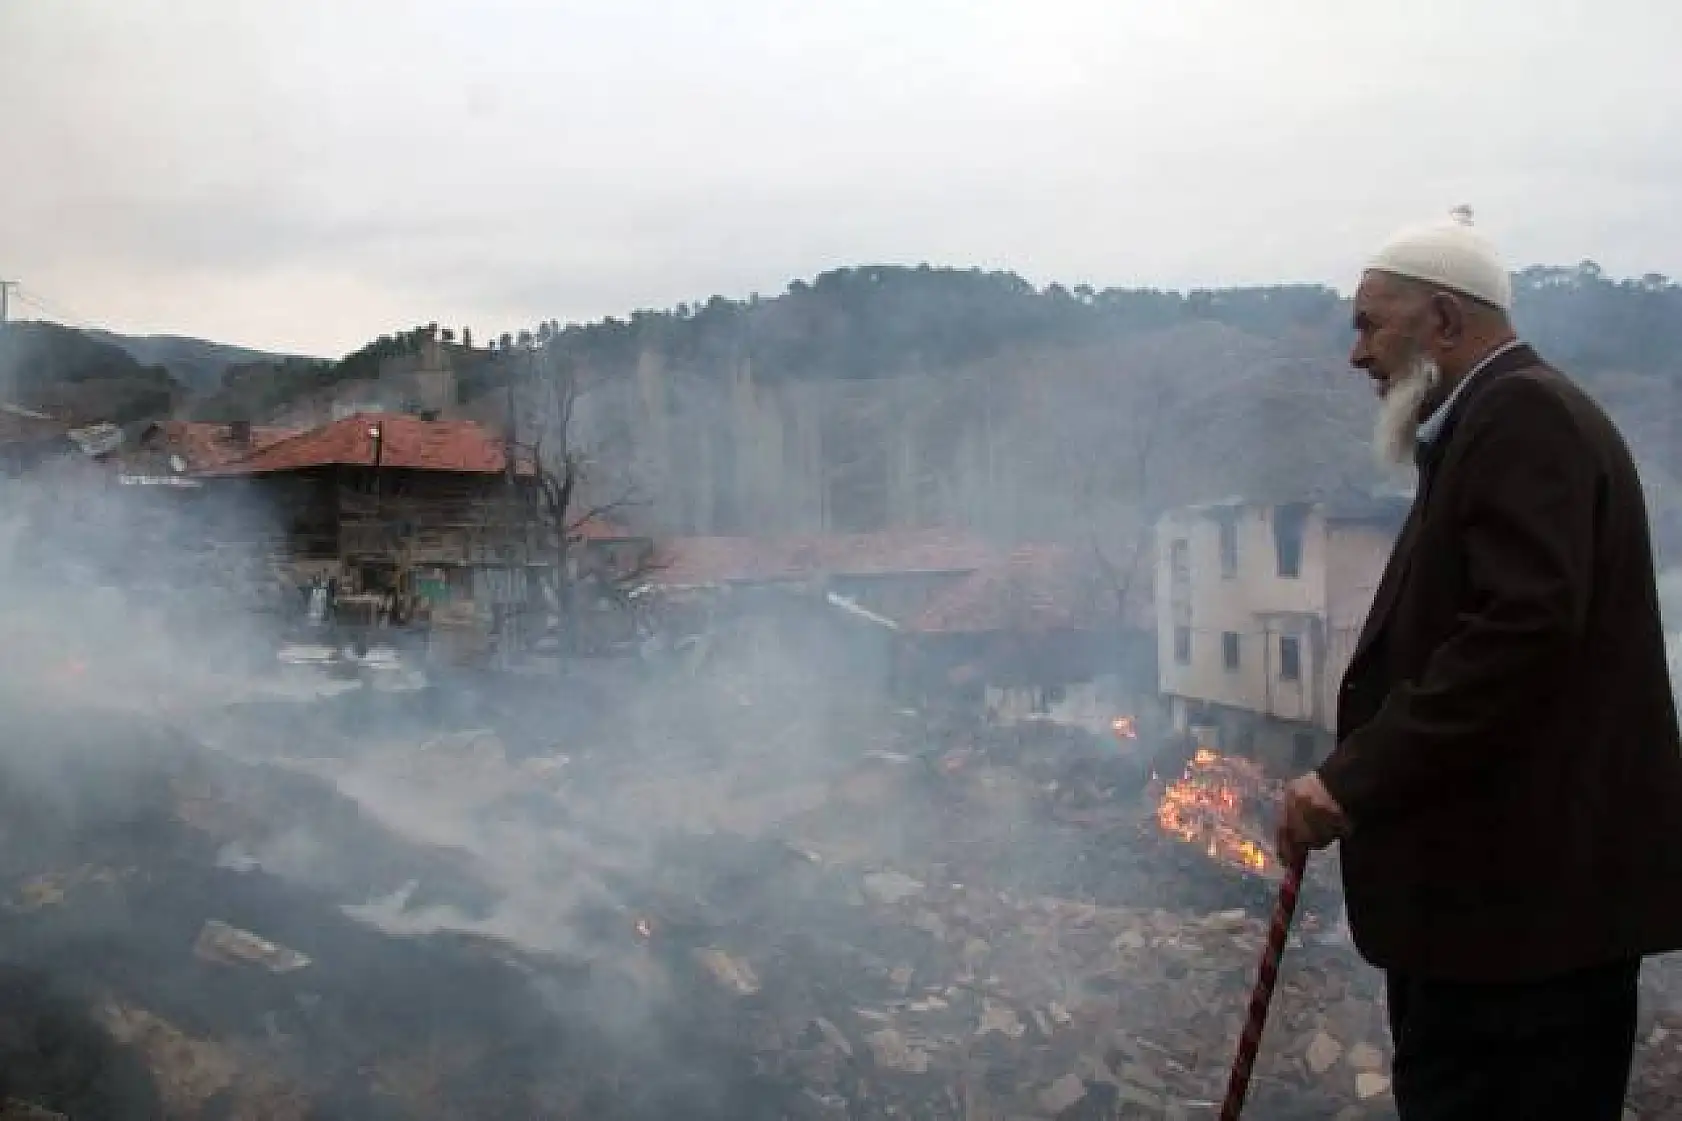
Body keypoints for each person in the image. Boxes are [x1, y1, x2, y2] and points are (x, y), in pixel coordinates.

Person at [1276, 210, 1682, 1120]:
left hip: (1522, 929)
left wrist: (1352, 778)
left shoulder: (1523, 415)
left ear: (1446, 323)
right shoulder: (1492, 422)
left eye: (1370, 323)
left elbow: (1521, 633)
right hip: (1505, 920)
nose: (1357, 355)